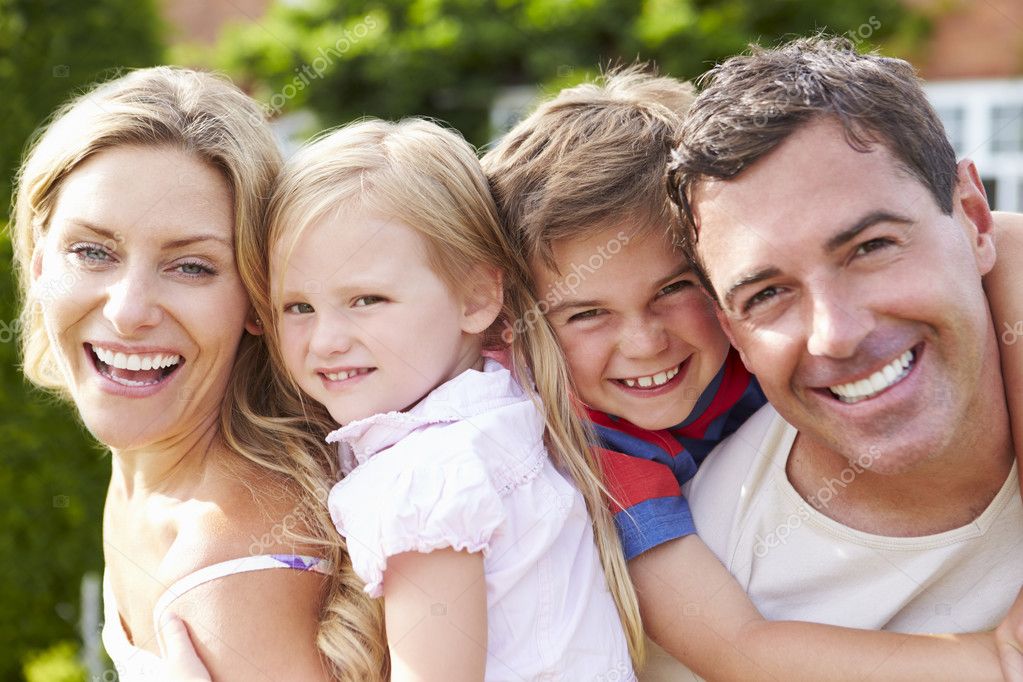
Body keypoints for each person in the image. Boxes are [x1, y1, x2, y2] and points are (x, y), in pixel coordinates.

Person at [483, 64, 1023, 680]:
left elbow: (1003, 242)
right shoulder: (598, 458)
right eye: (585, 313)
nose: (644, 341)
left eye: (673, 289)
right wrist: (998, 662)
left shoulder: (744, 337)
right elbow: (741, 649)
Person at [665, 36, 1023, 679]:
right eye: (768, 294)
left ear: (973, 218)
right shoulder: (715, 563)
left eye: (871, 247)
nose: (836, 335)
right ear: (732, 331)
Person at [12, 67, 386, 681]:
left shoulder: (237, 565)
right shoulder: (151, 467)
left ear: (260, 299)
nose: (129, 312)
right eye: (93, 252)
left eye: (191, 267)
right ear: (38, 260)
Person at [256, 117, 644, 680]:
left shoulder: (424, 476)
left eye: (366, 299)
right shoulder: (504, 407)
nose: (327, 340)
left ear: (477, 298)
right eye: (298, 307)